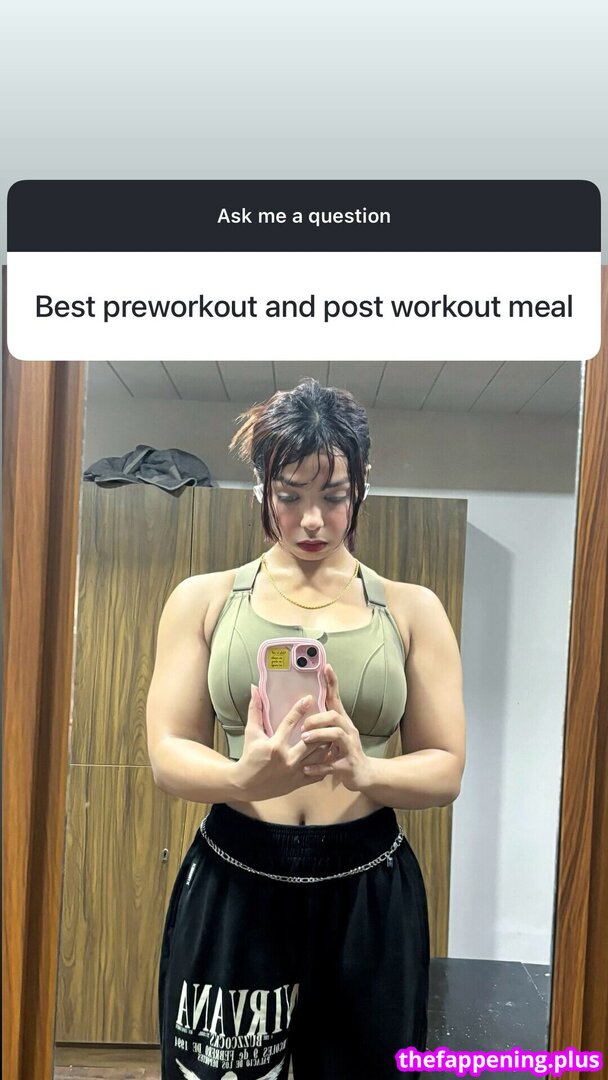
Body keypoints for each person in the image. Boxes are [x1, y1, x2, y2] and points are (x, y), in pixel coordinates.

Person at [147, 378, 466, 1080]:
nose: (312, 520)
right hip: (235, 872)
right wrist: (240, 776)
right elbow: (168, 752)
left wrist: (366, 769)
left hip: (366, 882)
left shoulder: (413, 610)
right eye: (289, 496)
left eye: (334, 495)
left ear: (361, 485)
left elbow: (446, 768)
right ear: (261, 487)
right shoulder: (203, 600)